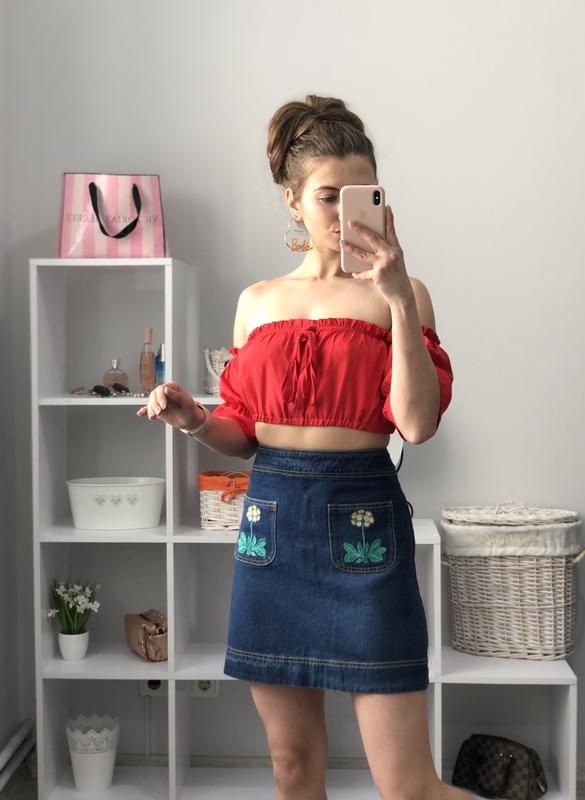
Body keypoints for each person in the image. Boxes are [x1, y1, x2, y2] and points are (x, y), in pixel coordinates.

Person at [137, 94, 472, 800]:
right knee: (291, 769)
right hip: (272, 535)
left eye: (362, 195)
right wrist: (195, 419)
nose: (345, 215)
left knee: (408, 787)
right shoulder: (256, 302)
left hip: (364, 532)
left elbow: (416, 424)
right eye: (327, 197)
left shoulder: (404, 294)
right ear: (292, 202)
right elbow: (245, 434)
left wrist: (398, 299)